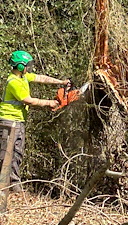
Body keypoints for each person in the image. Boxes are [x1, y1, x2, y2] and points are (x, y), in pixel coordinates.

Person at [0, 50, 69, 192]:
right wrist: (49, 103)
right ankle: (3, 188)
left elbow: (41, 78)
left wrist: (60, 82)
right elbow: (28, 101)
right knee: (5, 156)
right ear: (19, 66)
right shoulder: (13, 82)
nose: (29, 68)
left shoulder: (24, 77)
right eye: (27, 65)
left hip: (18, 121)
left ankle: (14, 186)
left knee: (17, 154)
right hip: (8, 121)